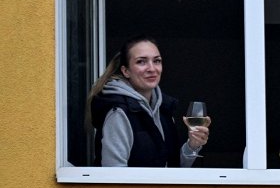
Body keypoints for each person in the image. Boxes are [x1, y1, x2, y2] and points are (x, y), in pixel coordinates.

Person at [85, 36, 209, 167]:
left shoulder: (164, 110)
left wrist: (193, 145)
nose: (152, 68)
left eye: (157, 61)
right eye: (141, 62)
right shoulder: (119, 113)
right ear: (126, 71)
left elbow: (172, 170)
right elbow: (114, 178)